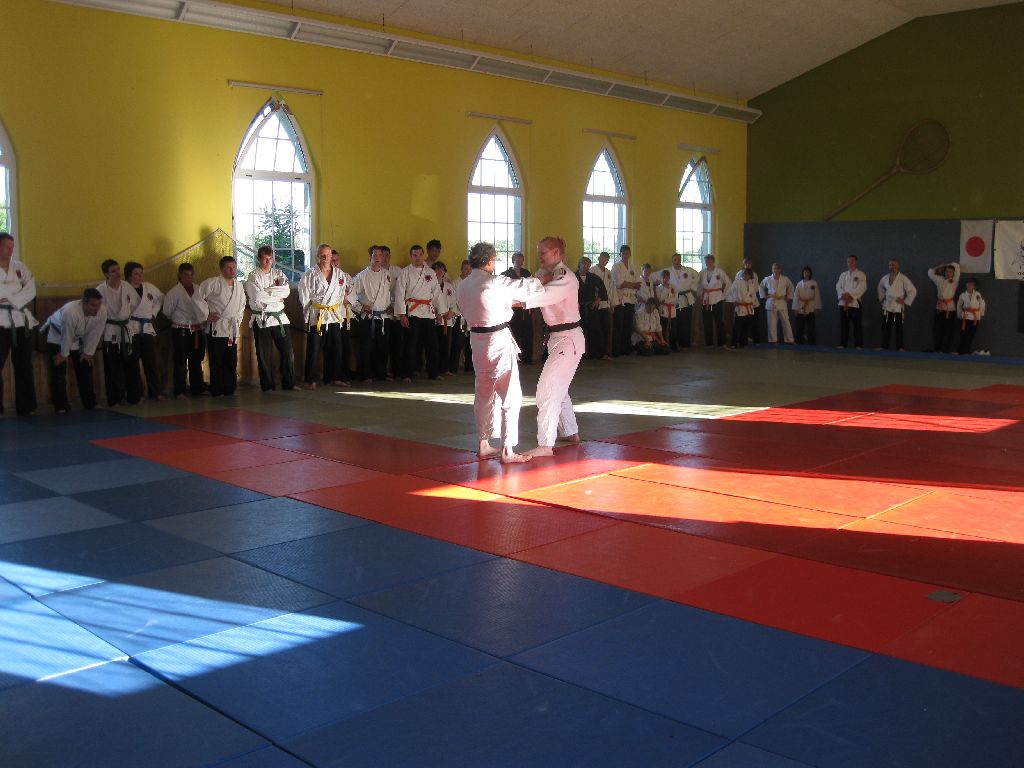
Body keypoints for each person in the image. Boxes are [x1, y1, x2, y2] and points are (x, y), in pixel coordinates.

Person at [456, 241, 548, 463]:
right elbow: (524, 287)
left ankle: (483, 443)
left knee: (483, 392)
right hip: (497, 339)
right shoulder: (495, 282)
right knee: (510, 393)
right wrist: (543, 279)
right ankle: (508, 449)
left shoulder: (463, 285)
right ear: (490, 261)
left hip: (476, 341)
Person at [522, 236, 584, 457]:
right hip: (557, 337)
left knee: (548, 388)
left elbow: (543, 296)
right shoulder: (542, 273)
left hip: (569, 338)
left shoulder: (566, 277)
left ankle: (545, 444)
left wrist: (515, 301)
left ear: (557, 252)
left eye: (544, 252)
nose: (539, 255)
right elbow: (530, 286)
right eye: (539, 251)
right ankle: (570, 431)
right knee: (560, 387)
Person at [244, 246, 297, 392]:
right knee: (264, 354)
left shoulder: (278, 273)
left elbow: (286, 292)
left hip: (279, 318)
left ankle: (289, 383)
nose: (268, 261)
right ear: (259, 259)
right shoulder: (253, 276)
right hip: (261, 319)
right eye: (265, 259)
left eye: (270, 258)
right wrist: (276, 296)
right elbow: (257, 296)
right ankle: (267, 385)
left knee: (287, 351)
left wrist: (267, 292)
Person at [44, 289, 106, 412]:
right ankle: (61, 406)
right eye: (93, 305)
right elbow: (67, 334)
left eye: (99, 305)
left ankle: (90, 403)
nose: (97, 309)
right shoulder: (70, 311)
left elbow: (96, 332)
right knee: (59, 369)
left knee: (85, 365)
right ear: (84, 302)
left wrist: (88, 352)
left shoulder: (102, 311)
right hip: (57, 335)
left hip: (76, 338)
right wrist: (63, 354)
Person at [299, 244, 350, 388]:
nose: (325, 257)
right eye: (322, 254)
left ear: (331, 256)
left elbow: (342, 293)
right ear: (318, 256)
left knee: (336, 348)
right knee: (314, 349)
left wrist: (338, 309)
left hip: (334, 315)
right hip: (318, 315)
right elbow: (304, 296)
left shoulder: (339, 274)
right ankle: (310, 380)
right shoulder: (309, 275)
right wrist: (308, 315)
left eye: (328, 254)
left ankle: (334, 377)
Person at [395, 243, 445, 382]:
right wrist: (402, 315)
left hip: (428, 311)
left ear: (424, 255)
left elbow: (436, 293)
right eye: (415, 255)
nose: (418, 257)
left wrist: (439, 312)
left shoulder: (430, 272)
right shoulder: (405, 272)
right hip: (412, 310)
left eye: (420, 255)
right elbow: (399, 294)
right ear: (411, 256)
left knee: (432, 344)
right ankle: (407, 373)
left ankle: (433, 372)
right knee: (411, 344)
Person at [0, 232, 38, 416]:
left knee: (24, 365)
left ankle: (27, 407)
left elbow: (31, 289)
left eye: (12, 247)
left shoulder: (19, 267)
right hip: (0, 321)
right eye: (7, 247)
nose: (11, 250)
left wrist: (12, 300)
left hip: (20, 320)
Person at [199, 256, 246, 396]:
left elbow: (242, 306)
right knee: (217, 360)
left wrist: (237, 322)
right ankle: (217, 389)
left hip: (232, 328)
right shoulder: (212, 283)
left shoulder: (239, 286)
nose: (232, 270)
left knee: (231, 360)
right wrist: (206, 315)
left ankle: (230, 388)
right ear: (221, 269)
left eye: (234, 267)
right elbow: (197, 298)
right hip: (217, 326)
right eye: (228, 268)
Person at [96, 259, 141, 406]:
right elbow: (98, 313)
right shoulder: (100, 291)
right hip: (110, 330)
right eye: (113, 271)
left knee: (132, 364)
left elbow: (135, 303)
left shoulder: (126, 286)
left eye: (118, 270)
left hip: (126, 328)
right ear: (106, 274)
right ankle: (114, 398)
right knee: (112, 366)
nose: (117, 273)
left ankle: (134, 397)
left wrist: (125, 316)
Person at [161, 262, 208, 399]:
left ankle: (197, 388)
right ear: (180, 275)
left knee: (196, 360)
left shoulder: (199, 289)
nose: (189, 278)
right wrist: (180, 319)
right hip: (181, 329)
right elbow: (167, 312)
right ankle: (179, 391)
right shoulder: (174, 292)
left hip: (197, 330)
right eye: (186, 275)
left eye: (191, 275)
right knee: (181, 361)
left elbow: (205, 308)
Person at [350, 245, 393, 382]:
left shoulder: (387, 274)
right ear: (370, 257)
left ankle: (381, 373)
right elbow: (350, 294)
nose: (378, 258)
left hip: (384, 316)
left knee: (382, 346)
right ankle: (365, 374)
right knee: (366, 346)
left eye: (380, 255)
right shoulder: (362, 276)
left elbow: (392, 292)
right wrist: (360, 307)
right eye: (375, 255)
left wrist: (392, 305)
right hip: (369, 316)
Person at [123, 262, 165, 400]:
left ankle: (156, 392)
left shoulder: (149, 287)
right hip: (131, 329)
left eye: (141, 273)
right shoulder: (123, 289)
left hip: (146, 328)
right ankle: (136, 394)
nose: (140, 276)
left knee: (151, 362)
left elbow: (161, 297)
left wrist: (153, 312)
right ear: (129, 275)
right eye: (136, 274)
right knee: (133, 363)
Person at [501, 252, 535, 364]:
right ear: (513, 261)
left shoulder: (526, 273)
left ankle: (527, 358)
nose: (519, 262)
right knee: (514, 333)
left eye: (521, 260)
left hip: (526, 307)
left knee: (528, 333)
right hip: (513, 309)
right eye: (517, 260)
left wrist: (530, 305)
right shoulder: (506, 274)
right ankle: (515, 358)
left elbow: (531, 289)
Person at [877, 259, 917, 351]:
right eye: (890, 265)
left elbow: (913, 291)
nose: (892, 267)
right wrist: (882, 299)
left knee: (899, 328)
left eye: (893, 265)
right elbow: (880, 288)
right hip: (887, 306)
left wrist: (905, 300)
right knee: (885, 327)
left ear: (898, 266)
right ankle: (884, 346)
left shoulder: (903, 278)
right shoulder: (885, 278)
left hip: (898, 307)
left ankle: (900, 347)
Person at [576, 257, 608, 360]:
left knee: (594, 330)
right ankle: (578, 355)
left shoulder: (593, 277)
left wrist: (597, 300)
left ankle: (596, 353)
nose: (586, 267)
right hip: (577, 308)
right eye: (584, 264)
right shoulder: (573, 277)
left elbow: (603, 291)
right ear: (580, 264)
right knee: (578, 331)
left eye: (588, 265)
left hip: (591, 307)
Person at [611, 245, 640, 356]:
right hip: (620, 299)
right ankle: (617, 350)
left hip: (631, 299)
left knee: (628, 325)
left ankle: (626, 348)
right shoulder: (616, 266)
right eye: (623, 253)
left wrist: (628, 284)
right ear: (620, 254)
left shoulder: (633, 267)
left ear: (630, 254)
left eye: (627, 253)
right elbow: (619, 284)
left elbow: (638, 284)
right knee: (619, 325)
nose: (625, 255)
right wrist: (632, 284)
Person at [666, 253, 698, 349]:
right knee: (676, 323)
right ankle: (676, 343)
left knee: (687, 322)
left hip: (687, 299)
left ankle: (686, 343)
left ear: (681, 260)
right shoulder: (668, 271)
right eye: (675, 260)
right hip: (674, 299)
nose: (677, 261)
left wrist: (692, 287)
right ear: (672, 261)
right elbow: (657, 277)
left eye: (678, 259)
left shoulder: (688, 270)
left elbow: (697, 276)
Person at [698, 254, 730, 347]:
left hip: (717, 299)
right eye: (706, 261)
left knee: (719, 322)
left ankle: (722, 343)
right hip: (705, 300)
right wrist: (700, 294)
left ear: (713, 261)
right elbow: (698, 284)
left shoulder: (719, 271)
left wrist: (724, 295)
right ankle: (709, 343)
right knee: (707, 322)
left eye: (709, 261)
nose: (707, 262)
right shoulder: (702, 272)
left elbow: (728, 282)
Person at [836, 254, 867, 349]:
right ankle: (843, 344)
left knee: (857, 325)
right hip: (843, 303)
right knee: (844, 325)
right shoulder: (843, 275)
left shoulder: (861, 274)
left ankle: (858, 345)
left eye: (852, 261)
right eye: (848, 261)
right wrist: (843, 295)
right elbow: (838, 286)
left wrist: (850, 296)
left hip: (855, 303)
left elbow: (862, 288)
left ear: (856, 262)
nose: (850, 263)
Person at [759, 263, 795, 344]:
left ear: (779, 269)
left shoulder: (785, 279)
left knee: (786, 322)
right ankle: (772, 340)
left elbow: (791, 287)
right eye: (773, 268)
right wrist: (764, 296)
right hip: (771, 301)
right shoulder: (768, 279)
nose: (774, 270)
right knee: (771, 323)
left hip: (782, 301)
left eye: (776, 268)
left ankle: (789, 340)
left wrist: (788, 297)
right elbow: (761, 286)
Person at [929, 261, 961, 353]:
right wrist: (941, 266)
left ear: (953, 274)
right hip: (939, 307)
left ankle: (945, 349)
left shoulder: (955, 281)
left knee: (948, 330)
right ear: (944, 272)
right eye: (946, 271)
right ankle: (937, 349)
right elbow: (930, 272)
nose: (948, 273)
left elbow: (956, 266)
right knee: (937, 329)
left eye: (950, 272)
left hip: (950, 308)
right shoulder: (939, 279)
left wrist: (948, 264)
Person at [381, 245, 402, 381]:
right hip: (381, 313)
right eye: (382, 255)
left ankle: (396, 371)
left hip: (395, 313)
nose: (384, 258)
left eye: (387, 255)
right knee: (383, 344)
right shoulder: (374, 272)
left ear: (390, 256)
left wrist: (394, 306)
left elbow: (402, 291)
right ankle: (382, 371)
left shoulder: (398, 271)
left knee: (396, 343)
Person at [434, 261, 458, 376]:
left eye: (442, 269)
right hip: (434, 319)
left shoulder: (449, 286)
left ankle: (444, 368)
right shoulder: (430, 284)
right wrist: (437, 313)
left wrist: (452, 311)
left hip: (446, 320)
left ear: (444, 272)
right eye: (437, 269)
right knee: (434, 345)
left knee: (445, 345)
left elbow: (454, 301)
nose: (439, 271)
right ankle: (434, 369)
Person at [590, 252, 616, 358]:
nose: (604, 261)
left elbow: (611, 289)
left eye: (606, 260)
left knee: (606, 328)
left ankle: (605, 352)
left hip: (605, 304)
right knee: (596, 329)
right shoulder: (592, 270)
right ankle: (596, 352)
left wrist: (612, 303)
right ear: (599, 258)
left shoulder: (609, 273)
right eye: (603, 259)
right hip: (595, 304)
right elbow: (591, 288)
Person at [448, 260, 471, 374]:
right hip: (459, 316)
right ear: (461, 269)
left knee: (471, 343)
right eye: (466, 269)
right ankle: (453, 368)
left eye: (470, 269)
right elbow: (453, 300)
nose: (468, 271)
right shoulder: (455, 283)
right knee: (457, 343)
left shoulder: (473, 282)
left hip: (471, 317)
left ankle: (469, 367)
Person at [728, 268, 759, 348]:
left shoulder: (751, 283)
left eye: (747, 274)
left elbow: (754, 295)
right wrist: (733, 301)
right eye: (744, 274)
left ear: (750, 275)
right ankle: (733, 343)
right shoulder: (737, 282)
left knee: (745, 326)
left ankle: (743, 343)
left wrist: (752, 302)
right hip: (740, 306)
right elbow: (730, 291)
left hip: (748, 307)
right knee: (737, 326)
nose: (745, 275)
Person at [734, 257, 762, 344]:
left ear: (751, 264)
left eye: (749, 263)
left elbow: (756, 288)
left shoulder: (755, 275)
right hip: (741, 302)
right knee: (741, 323)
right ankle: (742, 341)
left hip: (752, 301)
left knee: (754, 322)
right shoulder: (739, 274)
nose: (747, 265)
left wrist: (750, 296)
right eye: (746, 263)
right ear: (743, 264)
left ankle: (756, 341)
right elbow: (736, 288)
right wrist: (738, 300)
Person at [792, 266, 821, 345]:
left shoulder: (814, 283)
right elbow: (795, 297)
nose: (806, 274)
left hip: (811, 307)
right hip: (800, 307)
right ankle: (799, 342)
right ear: (803, 273)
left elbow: (817, 296)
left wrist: (816, 308)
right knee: (799, 327)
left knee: (811, 327)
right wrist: (795, 308)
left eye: (808, 272)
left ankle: (811, 344)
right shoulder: (799, 284)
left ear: (810, 273)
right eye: (805, 272)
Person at [956, 278, 985, 355]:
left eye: (971, 284)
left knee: (971, 334)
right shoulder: (963, 295)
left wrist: (980, 315)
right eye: (968, 284)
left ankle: (966, 350)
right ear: (966, 285)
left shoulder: (978, 294)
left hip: (975, 317)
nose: (969, 285)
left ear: (974, 286)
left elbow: (982, 304)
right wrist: (959, 314)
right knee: (964, 334)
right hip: (965, 317)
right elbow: (959, 305)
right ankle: (961, 351)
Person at [655, 270, 679, 351]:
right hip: (663, 311)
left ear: (669, 278)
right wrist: (666, 289)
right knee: (663, 329)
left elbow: (676, 299)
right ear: (661, 278)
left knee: (673, 330)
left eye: (667, 277)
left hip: (672, 310)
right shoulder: (658, 288)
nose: (665, 279)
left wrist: (667, 300)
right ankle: (664, 346)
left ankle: (674, 346)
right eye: (664, 278)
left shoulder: (673, 286)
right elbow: (660, 299)